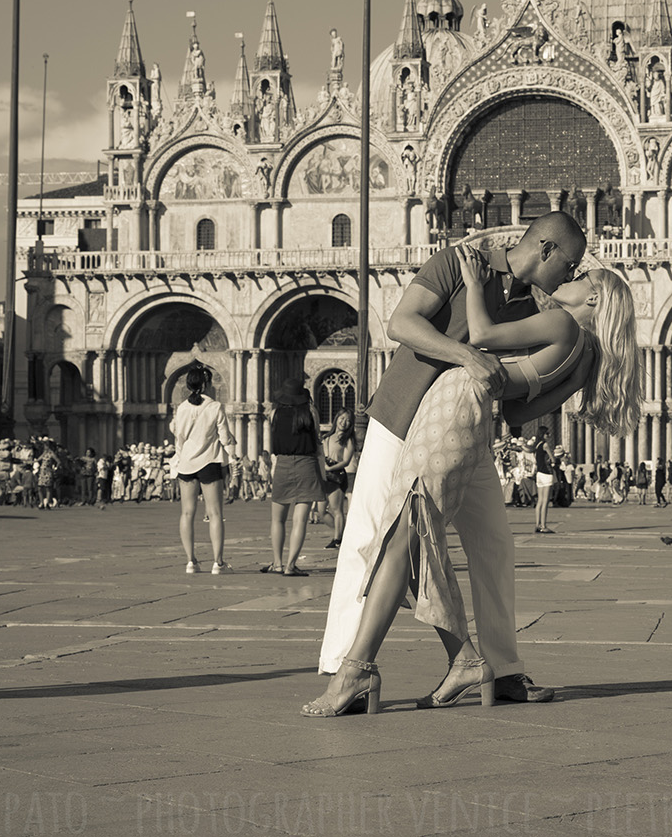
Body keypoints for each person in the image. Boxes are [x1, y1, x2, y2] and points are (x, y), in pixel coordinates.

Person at [304, 244, 639, 717]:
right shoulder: (457, 263)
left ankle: (484, 667)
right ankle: (353, 660)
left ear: (596, 299)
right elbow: (402, 324)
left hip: (456, 424)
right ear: (545, 249)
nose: (574, 273)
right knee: (378, 537)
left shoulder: (538, 308)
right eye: (571, 264)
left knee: (463, 543)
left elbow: (491, 354)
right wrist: (480, 356)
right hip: (406, 414)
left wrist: (485, 338)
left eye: (579, 272)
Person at [171, 365, 236, 574]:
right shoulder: (215, 407)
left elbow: (178, 436)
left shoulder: (182, 408)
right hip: (209, 462)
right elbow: (225, 437)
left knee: (187, 513)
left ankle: (191, 561)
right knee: (215, 513)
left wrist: (182, 456)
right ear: (206, 384)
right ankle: (218, 563)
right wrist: (232, 447)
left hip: (187, 464)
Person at [266, 377, 324, 576]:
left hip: (283, 463)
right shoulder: (311, 412)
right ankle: (291, 566)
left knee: (277, 520)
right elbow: (317, 443)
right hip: (307, 464)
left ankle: (277, 563)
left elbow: (272, 444)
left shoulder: (273, 414)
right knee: (300, 521)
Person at [320, 410, 356, 549]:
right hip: (324, 475)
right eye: (341, 418)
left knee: (336, 509)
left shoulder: (348, 439)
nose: (343, 422)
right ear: (336, 419)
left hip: (337, 475)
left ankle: (337, 539)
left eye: (347, 420)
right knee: (321, 511)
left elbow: (346, 461)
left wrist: (330, 468)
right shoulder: (327, 436)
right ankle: (344, 533)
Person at [533, 427, 555, 534]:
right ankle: (544, 525)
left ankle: (537, 525)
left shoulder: (537, 445)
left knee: (540, 501)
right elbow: (553, 458)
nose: (549, 435)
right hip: (546, 474)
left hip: (539, 474)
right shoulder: (545, 445)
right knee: (545, 501)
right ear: (543, 434)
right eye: (547, 433)